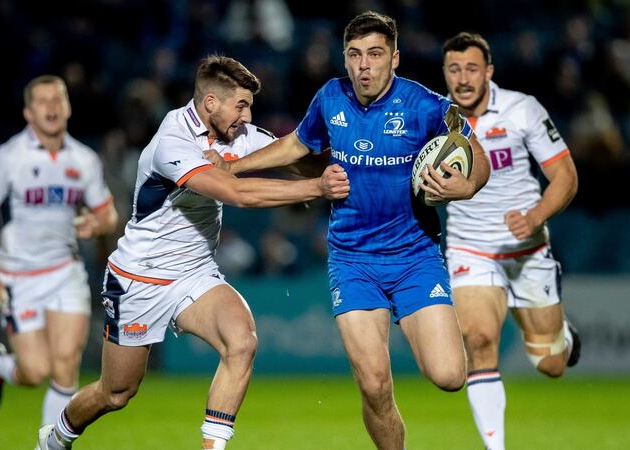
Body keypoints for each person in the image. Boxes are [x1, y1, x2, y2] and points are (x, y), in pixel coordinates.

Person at [34, 55, 350, 450]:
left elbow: (298, 161)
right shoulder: (172, 142)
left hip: (195, 274)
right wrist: (317, 189)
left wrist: (355, 158)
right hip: (138, 278)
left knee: (242, 340)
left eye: (250, 105)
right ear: (210, 103)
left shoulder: (239, 135)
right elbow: (236, 193)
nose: (247, 115)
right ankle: (55, 438)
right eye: (241, 105)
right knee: (116, 392)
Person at [207, 12, 490, 450]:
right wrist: (235, 167)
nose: (364, 65)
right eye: (355, 55)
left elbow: (475, 150)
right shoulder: (330, 98)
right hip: (352, 260)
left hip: (415, 257)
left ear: (394, 58)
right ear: (345, 58)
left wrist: (467, 184)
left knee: (450, 375)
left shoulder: (427, 105)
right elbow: (297, 144)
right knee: (375, 385)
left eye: (375, 54)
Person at [440, 32, 581, 450]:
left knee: (551, 364)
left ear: (489, 72)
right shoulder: (435, 117)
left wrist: (535, 216)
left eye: (471, 69)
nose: (463, 79)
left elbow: (566, 177)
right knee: (479, 340)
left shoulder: (522, 109)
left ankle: (564, 336)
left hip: (528, 249)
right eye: (453, 69)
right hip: (469, 247)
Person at [0, 75, 119, 425]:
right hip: (18, 275)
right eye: (42, 101)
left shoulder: (84, 160)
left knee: (65, 366)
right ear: (28, 113)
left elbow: (107, 212)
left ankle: (48, 445)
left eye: (57, 99)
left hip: (65, 271)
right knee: (35, 372)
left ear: (68, 107)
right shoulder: (9, 158)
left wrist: (100, 223)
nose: (51, 107)